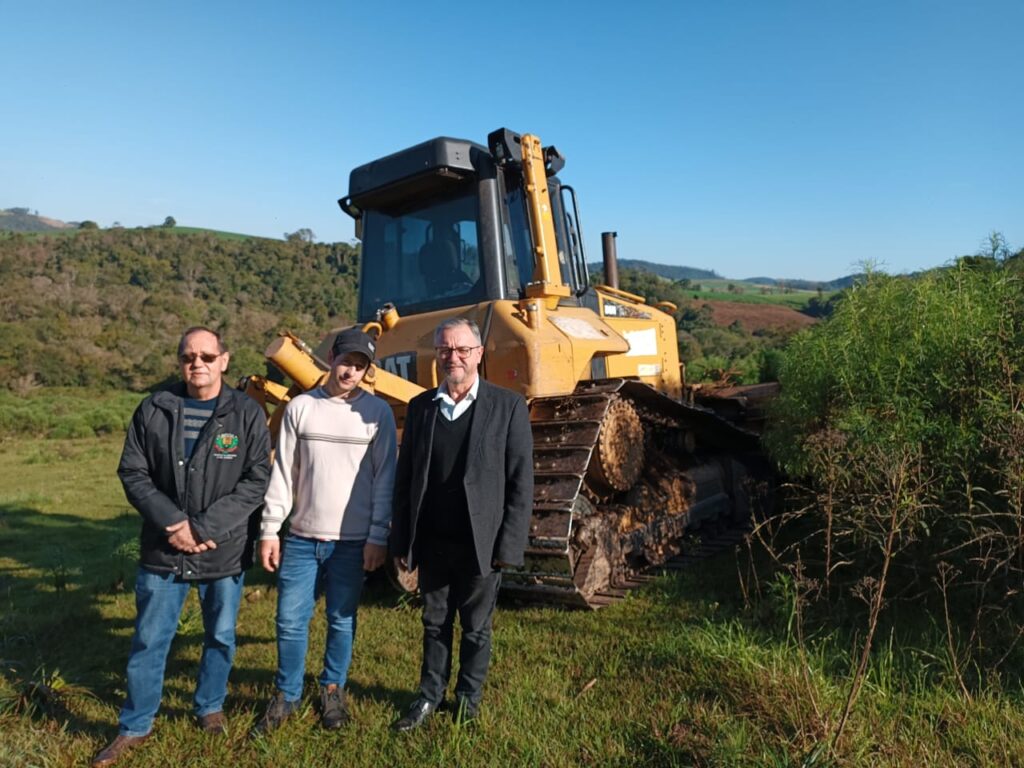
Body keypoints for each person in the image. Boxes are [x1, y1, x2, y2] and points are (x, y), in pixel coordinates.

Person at [92, 327, 271, 767]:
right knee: (150, 639)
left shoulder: (247, 413)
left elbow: (256, 481)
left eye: (207, 356)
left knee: (221, 636)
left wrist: (206, 527)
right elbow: (133, 471)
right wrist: (174, 523)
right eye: (189, 356)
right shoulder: (154, 408)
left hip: (222, 547)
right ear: (179, 362)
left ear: (224, 360)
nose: (198, 364)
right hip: (164, 547)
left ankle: (210, 706)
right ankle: (135, 724)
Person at [390, 317, 533, 731]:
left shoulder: (507, 407)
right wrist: (403, 539)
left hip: (480, 542)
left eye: (462, 349)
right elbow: (406, 479)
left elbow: (521, 482)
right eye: (445, 350)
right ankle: (428, 696)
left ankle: (468, 699)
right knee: (434, 623)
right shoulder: (421, 408)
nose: (453, 357)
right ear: (437, 355)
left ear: (479, 354)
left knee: (475, 627)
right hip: (434, 539)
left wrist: (508, 546)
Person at [252, 328, 396, 734]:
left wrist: (377, 537)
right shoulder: (301, 408)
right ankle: (287, 694)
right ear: (331, 356)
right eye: (346, 360)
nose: (350, 371)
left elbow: (385, 479)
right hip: (301, 538)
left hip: (352, 544)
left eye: (360, 365)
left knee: (341, 620)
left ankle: (333, 689)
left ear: (367, 370)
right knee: (289, 620)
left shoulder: (377, 414)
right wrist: (269, 530)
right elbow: (283, 473)